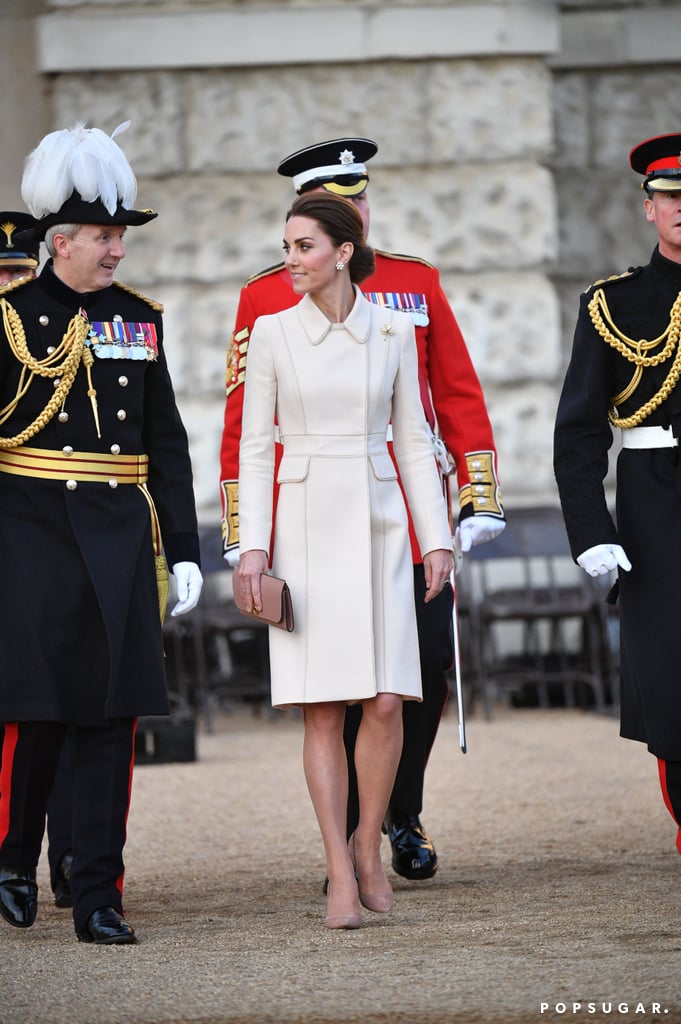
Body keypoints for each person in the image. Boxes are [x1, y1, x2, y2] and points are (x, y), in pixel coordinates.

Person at [220, 138, 505, 881]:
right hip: (308, 513)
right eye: (339, 201)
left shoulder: (413, 282)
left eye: (362, 197)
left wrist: (475, 497)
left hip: (399, 513)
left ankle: (399, 814)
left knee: (423, 674)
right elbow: (241, 429)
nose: (358, 211)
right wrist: (244, 533)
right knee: (334, 687)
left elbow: (454, 393)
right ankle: (349, 838)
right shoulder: (262, 298)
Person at [0, 122, 203, 945]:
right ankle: (13, 860)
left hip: (119, 535)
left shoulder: (140, 320)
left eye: (121, 236)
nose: (118, 250)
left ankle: (97, 894)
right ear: (61, 243)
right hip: (28, 532)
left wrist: (186, 550)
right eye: (106, 237)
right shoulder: (10, 317)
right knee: (37, 712)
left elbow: (167, 442)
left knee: (110, 718)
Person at [236, 191, 454, 928]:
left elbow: (416, 439)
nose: (290, 259)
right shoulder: (269, 332)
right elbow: (255, 447)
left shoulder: (394, 330)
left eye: (303, 246)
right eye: (288, 244)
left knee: (387, 700)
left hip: (379, 520)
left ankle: (369, 844)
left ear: (342, 251)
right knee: (323, 709)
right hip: (299, 525)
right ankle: (337, 869)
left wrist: (436, 538)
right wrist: (252, 547)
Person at [554, 131, 681, 862]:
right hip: (655, 505)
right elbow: (577, 433)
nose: (678, 210)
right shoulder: (613, 304)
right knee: (670, 676)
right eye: (668, 198)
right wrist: (590, 530)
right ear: (647, 209)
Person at [0, 209, 75, 909]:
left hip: (48, 547)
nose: (8, 288)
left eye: (17, 274)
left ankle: (61, 859)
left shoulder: (64, 336)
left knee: (54, 708)